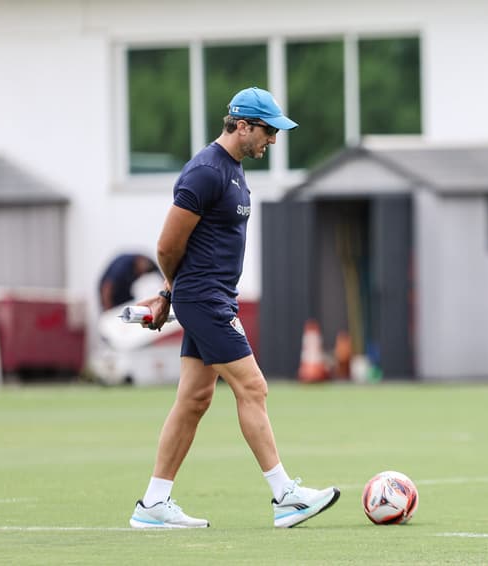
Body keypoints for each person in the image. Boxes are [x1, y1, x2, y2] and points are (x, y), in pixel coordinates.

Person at [128, 87, 340, 529]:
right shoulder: (205, 172)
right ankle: (286, 496)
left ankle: (152, 505)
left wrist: (171, 296)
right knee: (253, 387)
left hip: (211, 297)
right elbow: (168, 245)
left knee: (195, 399)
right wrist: (172, 292)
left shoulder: (234, 171)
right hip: (204, 300)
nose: (273, 141)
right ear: (242, 126)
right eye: (268, 131)